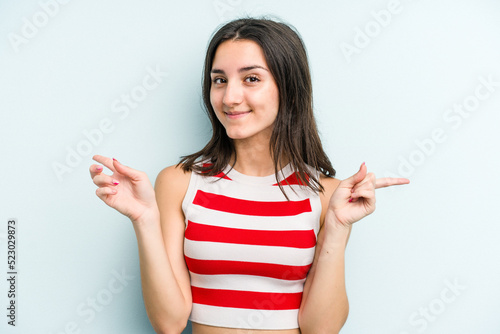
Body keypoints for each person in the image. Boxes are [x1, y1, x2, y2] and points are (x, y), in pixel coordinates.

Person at [89, 17, 409, 334]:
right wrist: (144, 220)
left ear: (289, 88)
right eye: (219, 80)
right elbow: (169, 323)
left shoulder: (327, 195)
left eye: (251, 79)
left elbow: (320, 329)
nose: (229, 97)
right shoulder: (179, 182)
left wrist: (337, 228)